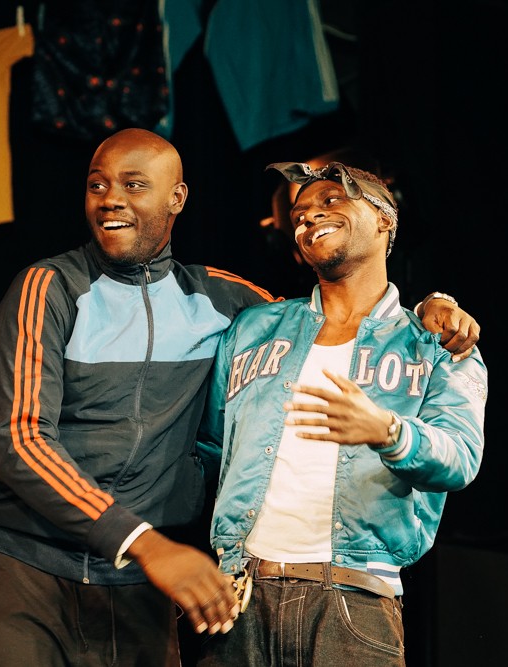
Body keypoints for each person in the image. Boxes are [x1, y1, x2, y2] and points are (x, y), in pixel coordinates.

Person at [0, 129, 480, 667]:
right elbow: (22, 442)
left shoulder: (228, 301)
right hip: (26, 558)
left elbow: (343, 319)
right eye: (97, 185)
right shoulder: (51, 288)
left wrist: (432, 310)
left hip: (145, 581)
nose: (111, 199)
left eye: (133, 184)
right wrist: (147, 542)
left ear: (177, 197)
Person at [194, 161, 488, 666]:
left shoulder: (438, 342)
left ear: (384, 218)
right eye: (300, 214)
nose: (310, 216)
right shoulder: (254, 327)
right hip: (239, 598)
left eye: (332, 201)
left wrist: (389, 432)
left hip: (355, 601)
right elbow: (211, 446)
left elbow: (460, 458)